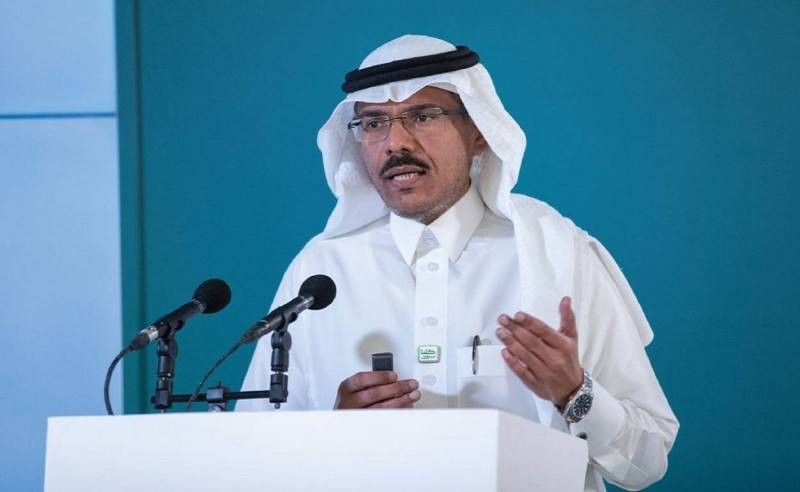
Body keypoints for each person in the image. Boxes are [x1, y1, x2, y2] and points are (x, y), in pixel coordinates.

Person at [238, 35, 678, 491]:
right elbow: (254, 462)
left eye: (423, 116)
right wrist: (335, 434)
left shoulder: (556, 253)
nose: (395, 143)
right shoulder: (320, 272)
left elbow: (647, 463)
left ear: (479, 132)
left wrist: (575, 393)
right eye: (373, 123)